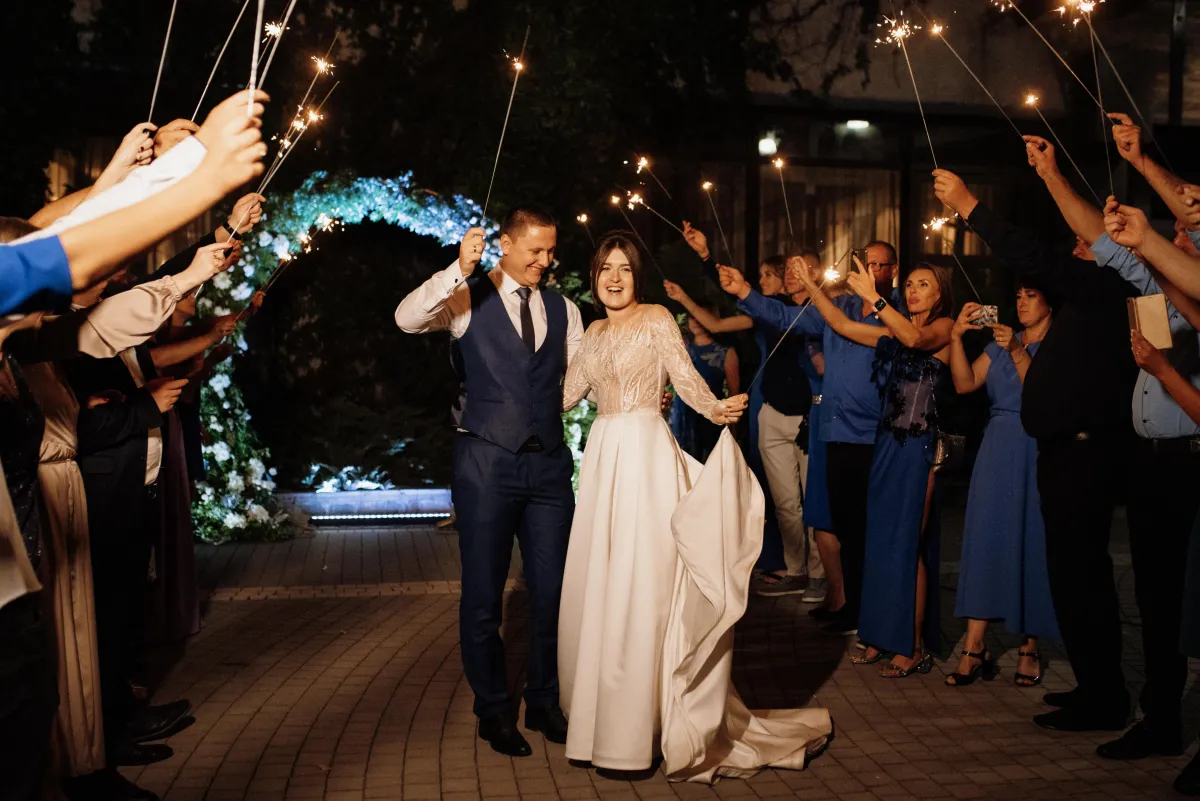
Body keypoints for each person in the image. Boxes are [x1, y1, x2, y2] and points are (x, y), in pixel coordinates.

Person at [558, 232, 831, 781]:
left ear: (638, 277)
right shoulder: (590, 333)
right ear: (594, 277)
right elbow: (566, 394)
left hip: (645, 456)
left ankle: (647, 727)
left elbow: (684, 379)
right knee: (604, 582)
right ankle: (603, 724)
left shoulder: (657, 317)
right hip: (604, 458)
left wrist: (717, 408)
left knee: (644, 583)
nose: (614, 278)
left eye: (624, 269)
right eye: (605, 269)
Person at [935, 166, 1137, 732]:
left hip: (1085, 452)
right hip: (1057, 450)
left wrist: (972, 205)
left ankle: (1106, 697)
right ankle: (1095, 686)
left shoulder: (1108, 286)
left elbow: (1034, 259)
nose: (1075, 245)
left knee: (1085, 578)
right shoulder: (1083, 295)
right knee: (1073, 576)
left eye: (1086, 239)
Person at [395, 207, 583, 757]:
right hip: (485, 464)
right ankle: (493, 709)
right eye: (535, 251)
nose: (545, 262)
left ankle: (544, 701)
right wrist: (456, 269)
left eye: (551, 252)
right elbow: (406, 319)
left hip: (548, 467)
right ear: (505, 243)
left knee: (552, 590)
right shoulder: (467, 297)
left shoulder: (564, 307)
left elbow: (577, 377)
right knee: (483, 594)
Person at [722, 242, 900, 638]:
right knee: (843, 527)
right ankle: (850, 607)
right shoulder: (845, 310)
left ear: (892, 269)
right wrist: (744, 293)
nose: (870, 271)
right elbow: (785, 315)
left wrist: (812, 286)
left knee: (872, 528)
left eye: (877, 265)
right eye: (864, 264)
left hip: (875, 434)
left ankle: (875, 613)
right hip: (834, 431)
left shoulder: (898, 312)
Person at [795, 260, 953, 676]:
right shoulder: (890, 330)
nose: (916, 290)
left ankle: (913, 645)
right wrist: (813, 287)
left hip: (917, 446)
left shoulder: (943, 327)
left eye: (925, 285)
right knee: (880, 543)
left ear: (940, 296)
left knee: (906, 545)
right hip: (885, 444)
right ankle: (881, 635)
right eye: (913, 284)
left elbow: (916, 337)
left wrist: (874, 299)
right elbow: (844, 327)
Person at [947, 287, 1059, 688]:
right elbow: (965, 383)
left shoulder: (1056, 343)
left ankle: (1030, 645)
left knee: (1031, 538)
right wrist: (957, 337)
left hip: (1034, 444)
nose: (1023, 302)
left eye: (1032, 295)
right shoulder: (1000, 344)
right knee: (986, 537)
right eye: (1018, 296)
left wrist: (1015, 349)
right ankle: (975, 645)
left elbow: (1044, 394)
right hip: (997, 445)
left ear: (1050, 300)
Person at [668, 308, 738, 462]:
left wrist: (732, 427)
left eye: (700, 316)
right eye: (692, 317)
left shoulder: (725, 352)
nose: (696, 321)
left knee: (709, 464)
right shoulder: (682, 348)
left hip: (710, 415)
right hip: (682, 413)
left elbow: (734, 393)